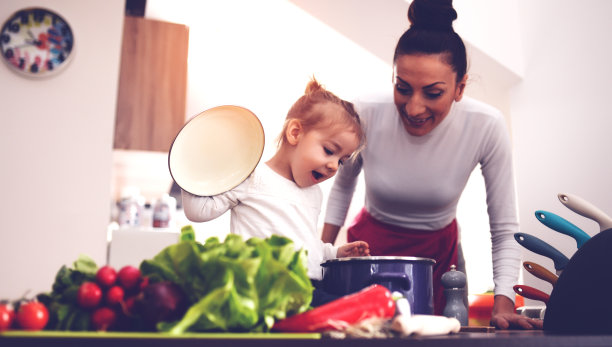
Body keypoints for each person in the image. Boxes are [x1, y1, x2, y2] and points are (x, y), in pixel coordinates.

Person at [321, 0, 542, 329]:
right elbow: (342, 189)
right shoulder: (365, 110)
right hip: (368, 251)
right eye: (403, 88)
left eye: (433, 92)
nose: (413, 108)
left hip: (441, 258)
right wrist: (317, 261)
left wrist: (504, 304)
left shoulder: (486, 125)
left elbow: (504, 225)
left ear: (459, 88)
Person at [182, 77, 370, 306]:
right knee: (355, 308)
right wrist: (190, 165)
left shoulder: (314, 194)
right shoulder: (251, 176)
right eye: (329, 150)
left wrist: (335, 253)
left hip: (307, 286)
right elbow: (198, 211)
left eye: (341, 161)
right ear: (295, 133)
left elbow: (307, 245)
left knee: (352, 307)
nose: (333, 165)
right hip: (262, 287)